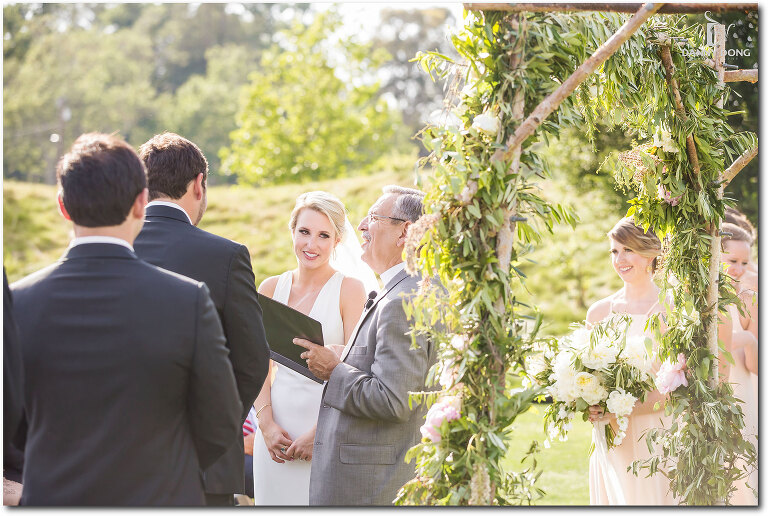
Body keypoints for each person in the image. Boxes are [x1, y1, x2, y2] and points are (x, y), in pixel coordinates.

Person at [10, 133, 241, 505]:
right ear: (140, 203)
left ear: (63, 206)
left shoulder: (17, 303)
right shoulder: (188, 300)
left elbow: (9, 426)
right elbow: (221, 422)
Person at [133, 132, 270, 506]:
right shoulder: (227, 256)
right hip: (202, 467)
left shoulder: (114, 249)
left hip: (119, 462)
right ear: (198, 185)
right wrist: (215, 426)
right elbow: (253, 360)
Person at [297, 185, 438, 506]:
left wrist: (334, 370)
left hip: (372, 488)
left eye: (373, 217)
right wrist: (345, 358)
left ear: (405, 232)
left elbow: (393, 401)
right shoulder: (407, 289)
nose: (360, 225)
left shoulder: (403, 300)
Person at [251, 191, 369, 505]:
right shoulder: (270, 287)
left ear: (337, 241)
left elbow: (357, 368)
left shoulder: (350, 290)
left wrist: (320, 433)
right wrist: (266, 424)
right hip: (275, 436)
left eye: (323, 235)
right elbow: (258, 362)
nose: (311, 244)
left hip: (326, 431)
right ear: (292, 231)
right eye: (304, 232)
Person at [585, 217, 677, 505]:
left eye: (628, 250)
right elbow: (588, 376)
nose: (620, 259)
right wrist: (588, 400)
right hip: (611, 438)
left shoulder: (671, 311)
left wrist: (622, 411)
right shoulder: (599, 313)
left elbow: (676, 390)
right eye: (615, 251)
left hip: (656, 436)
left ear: (651, 253)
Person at [720, 222, 758, 505]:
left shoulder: (748, 299)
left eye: (744, 262)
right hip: (711, 387)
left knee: (742, 471)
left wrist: (751, 339)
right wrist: (742, 336)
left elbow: (756, 365)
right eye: (732, 260)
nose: (739, 269)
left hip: (742, 390)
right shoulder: (691, 297)